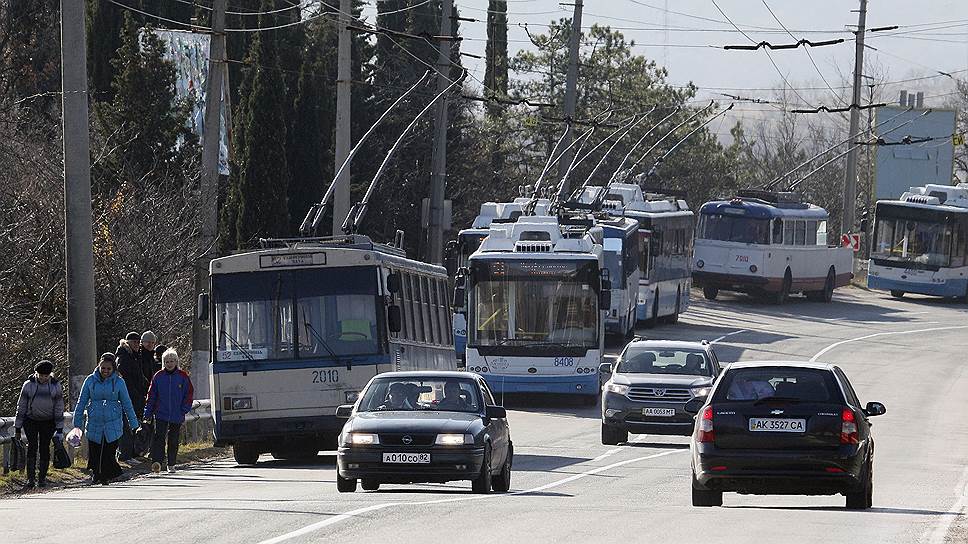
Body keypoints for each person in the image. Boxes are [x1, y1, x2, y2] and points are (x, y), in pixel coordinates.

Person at [72, 353, 141, 485]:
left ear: (113, 369)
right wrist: (77, 423)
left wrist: (134, 424)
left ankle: (106, 475)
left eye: (109, 369)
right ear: (99, 366)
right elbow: (81, 402)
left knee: (109, 451)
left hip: (113, 422)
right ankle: (97, 474)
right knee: (95, 450)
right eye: (103, 368)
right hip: (94, 421)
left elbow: (127, 403)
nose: (105, 371)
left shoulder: (119, 382)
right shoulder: (90, 381)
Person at [14, 360, 65, 488]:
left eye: (46, 376)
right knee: (32, 446)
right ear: (36, 373)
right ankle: (30, 478)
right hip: (31, 420)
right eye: (40, 375)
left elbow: (59, 407)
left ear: (50, 374)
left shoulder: (55, 386)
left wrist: (59, 428)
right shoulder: (28, 385)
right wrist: (18, 427)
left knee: (44, 447)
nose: (43, 378)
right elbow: (21, 406)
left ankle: (42, 478)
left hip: (48, 421)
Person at [143, 348, 194, 474]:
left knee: (173, 439)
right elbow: (151, 395)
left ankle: (171, 464)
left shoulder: (183, 376)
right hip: (161, 413)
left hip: (177, 414)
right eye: (167, 361)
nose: (169, 364)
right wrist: (148, 412)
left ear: (176, 362)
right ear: (163, 362)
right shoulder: (158, 376)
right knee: (159, 438)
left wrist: (184, 409)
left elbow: (188, 394)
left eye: (172, 361)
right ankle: (157, 463)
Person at [116, 331, 146, 460]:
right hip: (127, 398)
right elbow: (126, 381)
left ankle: (132, 454)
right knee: (126, 429)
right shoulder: (124, 357)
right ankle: (125, 455)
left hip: (135, 397)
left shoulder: (134, 356)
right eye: (134, 342)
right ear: (127, 343)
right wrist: (136, 395)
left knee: (134, 428)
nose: (137, 344)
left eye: (138, 342)